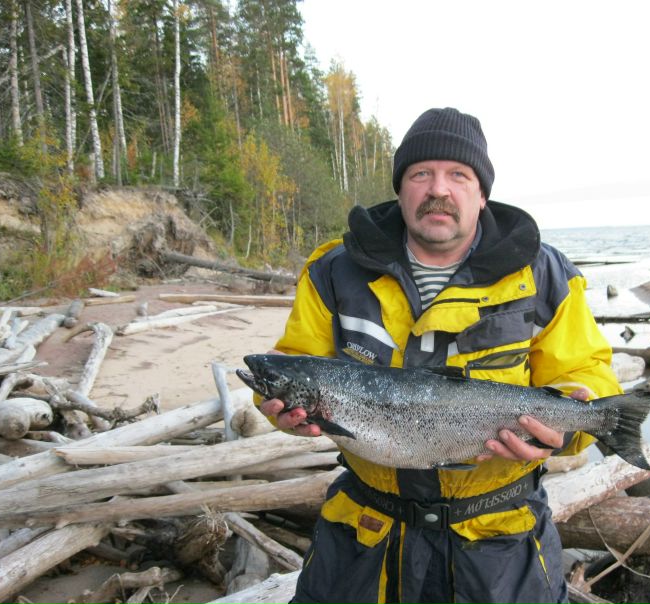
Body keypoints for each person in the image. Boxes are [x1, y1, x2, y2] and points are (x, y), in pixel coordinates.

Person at [260, 107, 621, 604]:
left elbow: (587, 372)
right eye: (421, 174)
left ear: (481, 192)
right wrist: (282, 415)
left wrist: (570, 428)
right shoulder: (333, 271)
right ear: (400, 188)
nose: (438, 189)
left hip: (501, 545)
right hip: (364, 538)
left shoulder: (544, 274)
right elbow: (297, 363)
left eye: (458, 175)